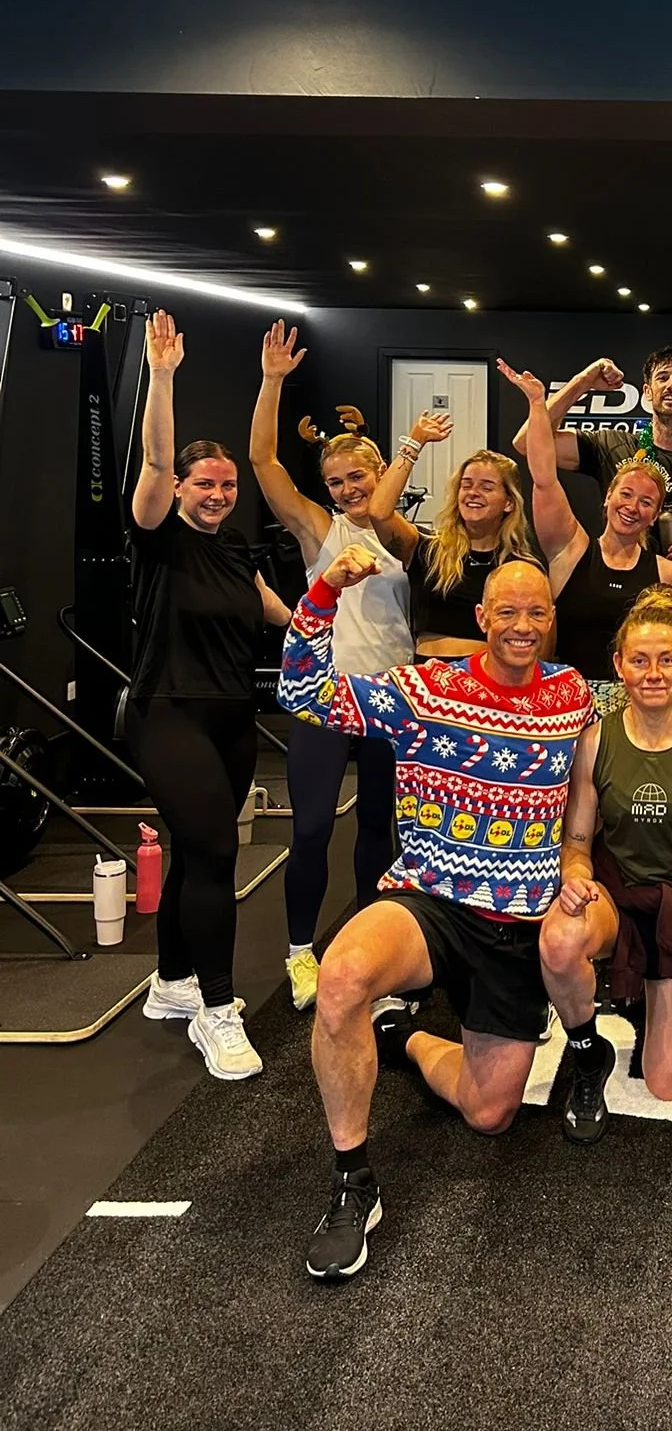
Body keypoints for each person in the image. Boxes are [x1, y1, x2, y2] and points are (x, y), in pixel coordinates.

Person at [280, 548, 594, 1282]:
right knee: (343, 976)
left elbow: (647, 692)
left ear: (553, 621)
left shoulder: (574, 692)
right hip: (429, 900)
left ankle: (406, 1036)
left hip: (517, 923)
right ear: (481, 618)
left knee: (489, 1115)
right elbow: (302, 692)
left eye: (537, 612)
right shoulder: (424, 690)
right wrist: (326, 589)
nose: (522, 625)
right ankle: (354, 1181)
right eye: (507, 612)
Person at [130, 310, 291, 1081]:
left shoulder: (233, 547)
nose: (220, 492)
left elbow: (272, 607)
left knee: (196, 852)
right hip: (168, 714)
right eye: (207, 482)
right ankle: (218, 1011)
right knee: (218, 853)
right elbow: (155, 463)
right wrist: (162, 377)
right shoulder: (161, 531)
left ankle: (170, 983)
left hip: (232, 721)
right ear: (184, 487)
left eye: (227, 483)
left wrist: (332, 620)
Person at [538, 586, 672, 1131]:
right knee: (559, 940)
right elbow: (578, 846)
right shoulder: (594, 741)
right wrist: (576, 879)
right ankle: (591, 1043)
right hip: (619, 898)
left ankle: (662, 993)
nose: (653, 673)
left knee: (666, 1085)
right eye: (639, 660)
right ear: (618, 665)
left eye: (667, 659)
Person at [250, 322, 411, 1009]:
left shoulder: (412, 537)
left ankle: (369, 950)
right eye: (336, 480)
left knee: (378, 828)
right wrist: (273, 381)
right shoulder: (319, 527)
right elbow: (263, 464)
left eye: (357, 478)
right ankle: (299, 954)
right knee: (313, 827)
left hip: (388, 698)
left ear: (381, 475)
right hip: (325, 695)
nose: (347, 489)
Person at [499, 364, 672, 711]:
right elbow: (544, 476)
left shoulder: (670, 575)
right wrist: (537, 403)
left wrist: (670, 656)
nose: (632, 507)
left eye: (646, 502)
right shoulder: (570, 550)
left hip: (639, 709)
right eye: (625, 494)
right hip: (565, 704)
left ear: (654, 516)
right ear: (608, 496)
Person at [515, 347, 672, 577]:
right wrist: (584, 381)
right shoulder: (612, 445)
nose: (671, 385)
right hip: (625, 600)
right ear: (647, 392)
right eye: (662, 378)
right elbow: (527, 443)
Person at [368, 412, 537, 658]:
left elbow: (537, 643)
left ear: (509, 502)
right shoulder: (427, 549)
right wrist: (415, 443)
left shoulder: (520, 566)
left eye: (486, 487)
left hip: (488, 682)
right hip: (428, 681)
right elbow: (379, 512)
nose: (473, 493)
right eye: (466, 485)